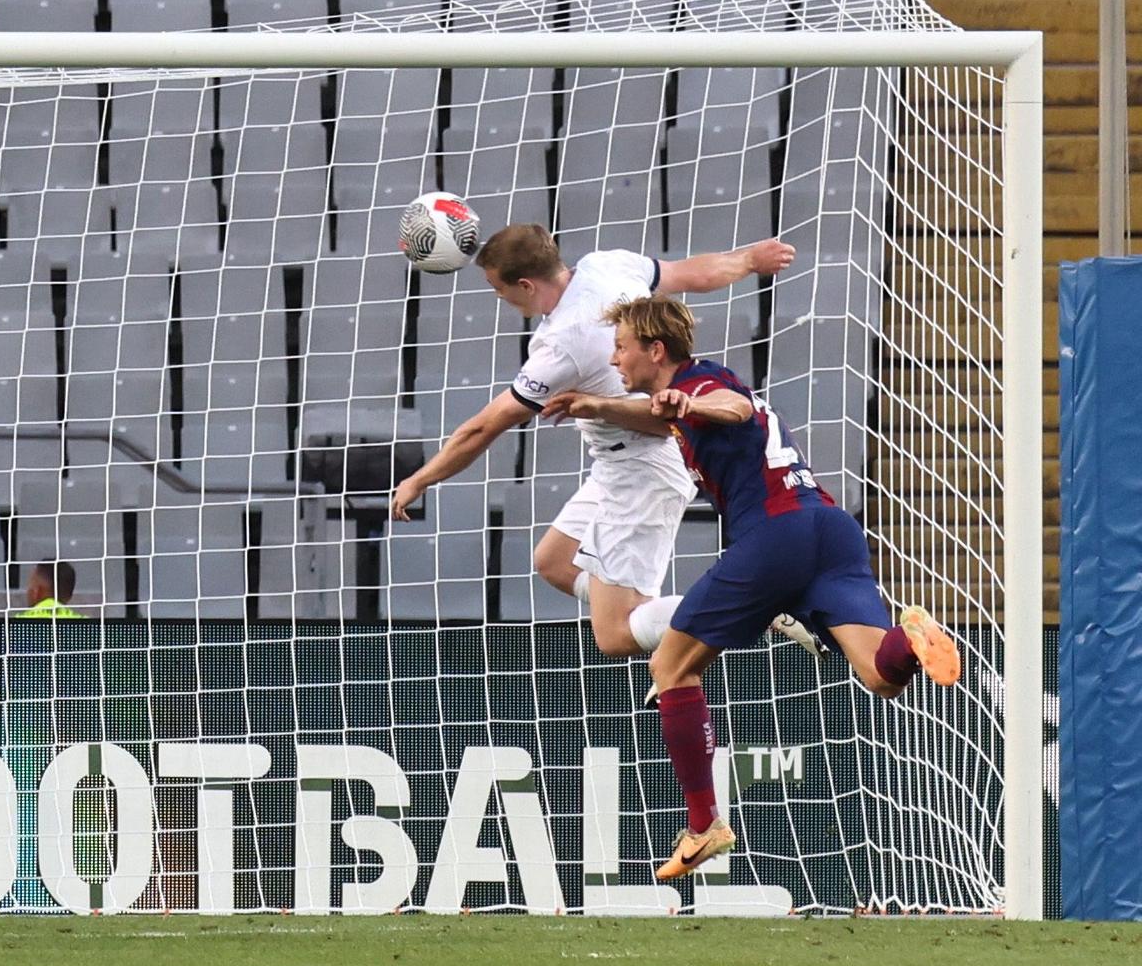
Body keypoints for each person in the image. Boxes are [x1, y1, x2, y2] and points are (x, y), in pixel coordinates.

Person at [543, 295, 960, 880]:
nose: (615, 355)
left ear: (654, 351)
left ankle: (704, 824)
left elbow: (731, 409)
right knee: (880, 676)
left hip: (774, 536)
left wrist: (687, 401)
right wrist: (599, 404)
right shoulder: (686, 396)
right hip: (830, 529)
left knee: (670, 665)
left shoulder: (704, 384)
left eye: (622, 346)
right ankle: (912, 640)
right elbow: (668, 415)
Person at [392, 223, 819, 660]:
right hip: (617, 463)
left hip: (645, 471)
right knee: (555, 562)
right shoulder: (605, 265)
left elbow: (484, 428)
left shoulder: (561, 345)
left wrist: (420, 480)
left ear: (525, 284)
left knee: (615, 636)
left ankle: (755, 609)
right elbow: (689, 274)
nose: (498, 297)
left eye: (497, 288)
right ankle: (673, 616)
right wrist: (748, 260)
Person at [15, 560, 84, 619]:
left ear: (36, 592)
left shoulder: (15, 625)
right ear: (70, 596)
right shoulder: (86, 626)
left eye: (29, 588)